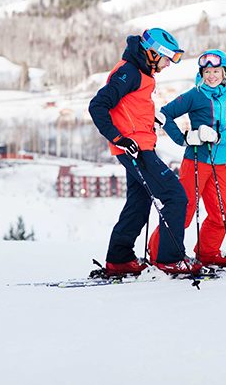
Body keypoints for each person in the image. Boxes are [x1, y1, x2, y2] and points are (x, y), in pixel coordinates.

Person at [88, 28, 201, 276]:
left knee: (138, 203)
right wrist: (119, 138)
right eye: (166, 59)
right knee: (176, 196)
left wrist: (150, 121)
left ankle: (120, 258)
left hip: (140, 146)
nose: (168, 65)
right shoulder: (128, 72)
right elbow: (98, 106)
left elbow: (129, 109)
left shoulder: (140, 72)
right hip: (134, 150)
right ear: (151, 53)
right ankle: (170, 258)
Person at [148, 49, 226, 267]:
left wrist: (220, 136)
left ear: (225, 72)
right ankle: (158, 252)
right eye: (207, 71)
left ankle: (208, 252)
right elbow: (164, 114)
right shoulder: (194, 94)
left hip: (219, 163)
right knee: (184, 210)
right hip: (195, 161)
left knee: (222, 213)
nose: (211, 75)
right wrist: (183, 138)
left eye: (216, 71)